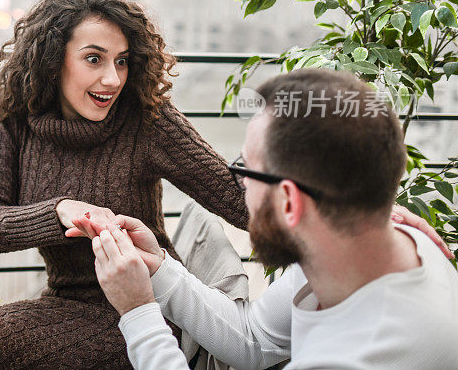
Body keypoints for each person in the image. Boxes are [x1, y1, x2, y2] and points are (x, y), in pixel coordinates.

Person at [0, 0, 250, 369]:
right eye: (94, 59)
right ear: (53, 62)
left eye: (121, 61)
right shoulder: (18, 120)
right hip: (63, 302)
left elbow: (241, 203)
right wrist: (61, 211)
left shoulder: (148, 123)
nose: (113, 79)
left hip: (149, 307)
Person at [75, 69, 458, 369]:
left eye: (247, 171)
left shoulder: (356, 355)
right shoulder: (351, 244)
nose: (239, 186)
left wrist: (139, 313)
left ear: (290, 201)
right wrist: (158, 269)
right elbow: (254, 339)